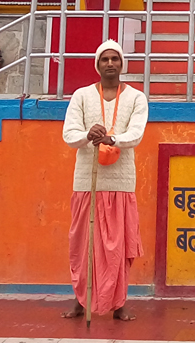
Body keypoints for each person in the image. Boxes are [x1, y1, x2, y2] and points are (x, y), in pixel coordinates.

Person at [61, 37, 148, 321]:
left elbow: (135, 134)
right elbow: (69, 133)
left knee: (117, 247)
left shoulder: (136, 97)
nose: (110, 63)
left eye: (115, 59)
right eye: (105, 59)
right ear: (97, 65)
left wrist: (112, 138)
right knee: (83, 244)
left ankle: (119, 303)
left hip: (120, 182)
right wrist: (89, 136)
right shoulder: (82, 96)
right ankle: (80, 300)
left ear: (122, 64)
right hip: (87, 181)